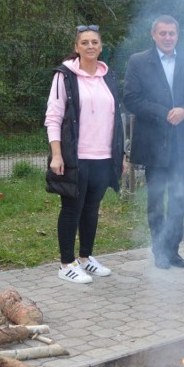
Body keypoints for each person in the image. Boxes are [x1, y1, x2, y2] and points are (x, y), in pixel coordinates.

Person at [123, 15, 184, 269]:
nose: (168, 38)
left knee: (179, 198)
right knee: (156, 198)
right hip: (153, 143)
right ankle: (158, 250)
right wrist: (163, 112)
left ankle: (173, 250)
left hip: (182, 143)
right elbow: (131, 99)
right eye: (163, 33)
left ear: (177, 35)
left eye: (172, 33)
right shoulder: (138, 61)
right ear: (153, 35)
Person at [45, 24, 124, 284]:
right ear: (76, 47)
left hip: (103, 156)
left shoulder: (108, 76)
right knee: (72, 209)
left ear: (101, 47)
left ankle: (86, 258)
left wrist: (119, 156)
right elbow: (54, 117)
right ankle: (66, 263)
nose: (90, 46)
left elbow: (116, 119)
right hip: (76, 156)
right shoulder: (64, 76)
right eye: (85, 42)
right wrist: (57, 155)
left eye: (95, 42)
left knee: (92, 208)